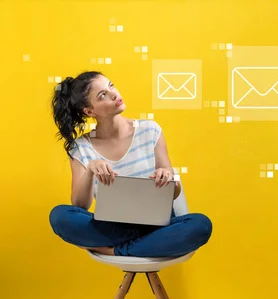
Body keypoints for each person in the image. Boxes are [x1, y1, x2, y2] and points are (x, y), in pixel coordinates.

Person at [48, 71, 212, 257]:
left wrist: (168, 177)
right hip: (113, 227)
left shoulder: (150, 130)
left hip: (158, 225)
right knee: (59, 216)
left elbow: (174, 192)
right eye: (103, 95)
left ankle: (117, 250)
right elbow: (79, 206)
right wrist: (90, 170)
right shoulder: (81, 148)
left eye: (111, 85)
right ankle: (140, 246)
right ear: (89, 111)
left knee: (201, 225)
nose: (114, 94)